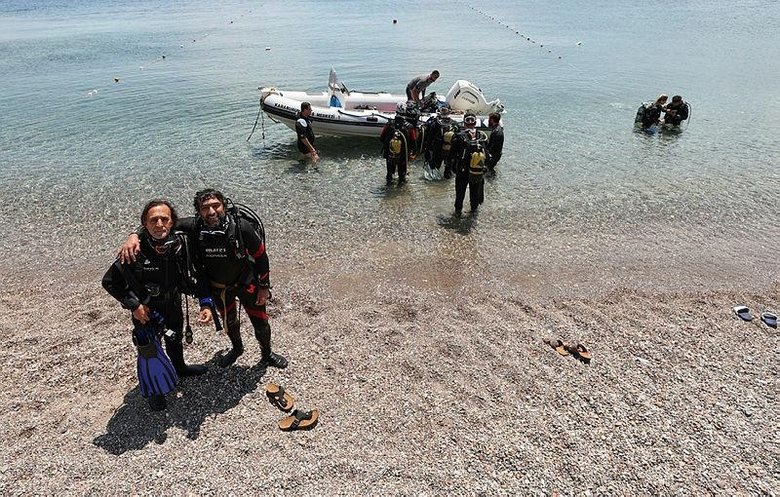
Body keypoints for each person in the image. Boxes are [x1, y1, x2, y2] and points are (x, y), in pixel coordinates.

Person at [119, 189, 288, 371]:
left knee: (260, 322)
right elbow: (160, 225)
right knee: (229, 322)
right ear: (198, 211)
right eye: (205, 208)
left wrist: (264, 287)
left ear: (224, 205)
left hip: (247, 284)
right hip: (219, 288)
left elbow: (261, 257)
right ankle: (237, 349)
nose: (211, 211)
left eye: (216, 205)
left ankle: (267, 354)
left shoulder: (241, 227)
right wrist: (133, 235)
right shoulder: (194, 227)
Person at [103, 200, 213, 411]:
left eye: (165, 219)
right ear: (145, 223)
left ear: (173, 222)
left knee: (175, 338)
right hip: (146, 310)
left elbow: (196, 275)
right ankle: (154, 390)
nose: (160, 224)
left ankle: (180, 368)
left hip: (172, 303)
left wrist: (205, 304)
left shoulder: (181, 245)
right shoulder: (133, 251)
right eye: (153, 220)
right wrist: (134, 305)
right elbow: (109, 282)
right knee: (149, 350)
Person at [450, 112, 489, 215]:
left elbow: (452, 154)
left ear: (464, 123)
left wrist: (449, 167)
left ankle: (457, 213)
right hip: (476, 171)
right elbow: (487, 154)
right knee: (474, 193)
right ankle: (473, 213)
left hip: (462, 170)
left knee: (460, 193)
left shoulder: (459, 136)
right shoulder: (481, 136)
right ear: (475, 123)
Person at [422, 107, 459, 178]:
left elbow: (429, 138)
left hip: (438, 149)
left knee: (436, 167)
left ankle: (436, 184)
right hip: (448, 150)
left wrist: (427, 149)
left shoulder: (435, 123)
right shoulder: (454, 123)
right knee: (448, 169)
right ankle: (446, 185)